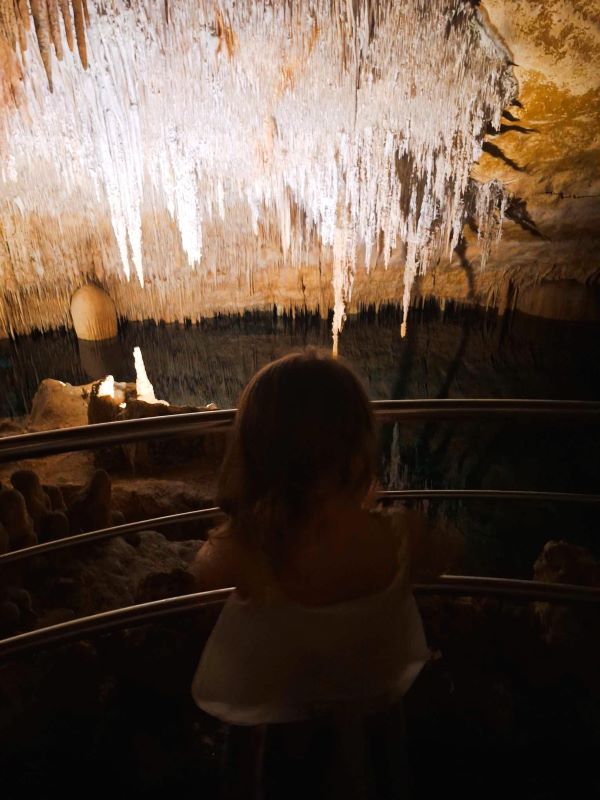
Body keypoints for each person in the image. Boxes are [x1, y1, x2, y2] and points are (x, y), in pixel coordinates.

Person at [191, 350, 430, 799]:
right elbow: (446, 552)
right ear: (358, 450)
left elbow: (203, 572)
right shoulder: (397, 536)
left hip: (273, 722)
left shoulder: (249, 548)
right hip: (367, 712)